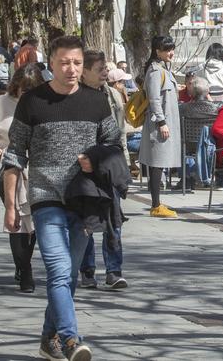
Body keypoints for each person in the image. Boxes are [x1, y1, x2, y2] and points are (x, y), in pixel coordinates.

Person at [2, 35, 121, 361]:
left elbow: (114, 146)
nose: (71, 69)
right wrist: (11, 205)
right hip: (46, 198)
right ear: (51, 63)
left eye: (77, 63)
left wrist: (94, 158)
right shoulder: (33, 102)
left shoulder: (97, 102)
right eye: (65, 62)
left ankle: (47, 339)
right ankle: (71, 340)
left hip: (84, 200)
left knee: (68, 276)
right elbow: (14, 155)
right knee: (57, 270)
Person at [0, 64, 45, 293]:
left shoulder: (45, 104)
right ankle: (25, 270)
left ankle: (24, 263)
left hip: (38, 170)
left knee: (32, 220)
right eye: (24, 90)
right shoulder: (2, 104)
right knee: (16, 218)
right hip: (10, 169)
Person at [78, 50, 130, 290]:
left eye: (105, 69)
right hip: (83, 169)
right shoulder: (74, 97)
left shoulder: (112, 95)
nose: (105, 73)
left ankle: (113, 270)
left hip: (108, 165)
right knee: (86, 222)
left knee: (113, 221)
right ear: (84, 72)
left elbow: (118, 134)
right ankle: (87, 271)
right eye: (100, 69)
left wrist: (123, 165)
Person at [137, 35, 182, 219]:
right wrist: (162, 122)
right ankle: (155, 205)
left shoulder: (162, 69)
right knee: (157, 164)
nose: (171, 52)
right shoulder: (156, 71)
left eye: (171, 49)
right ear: (158, 51)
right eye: (167, 49)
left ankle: (157, 203)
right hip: (160, 124)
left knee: (159, 163)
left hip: (165, 122)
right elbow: (154, 98)